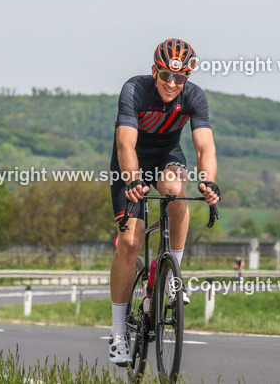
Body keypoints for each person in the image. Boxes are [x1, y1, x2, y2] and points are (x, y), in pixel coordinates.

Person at [108, 38, 221, 365]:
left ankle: (173, 273)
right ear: (154, 71)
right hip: (130, 160)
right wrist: (131, 180)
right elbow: (125, 144)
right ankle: (117, 332)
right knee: (130, 242)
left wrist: (208, 181)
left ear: (187, 78)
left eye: (180, 78)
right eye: (165, 76)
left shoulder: (194, 96)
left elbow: (204, 148)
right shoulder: (135, 90)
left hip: (167, 156)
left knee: (176, 190)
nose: (172, 84)